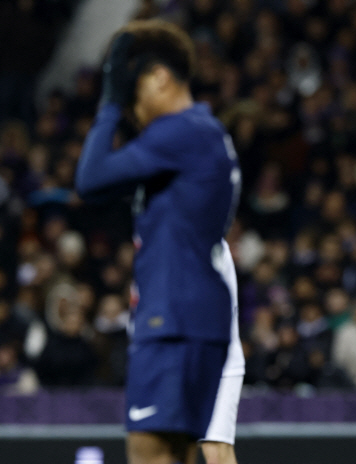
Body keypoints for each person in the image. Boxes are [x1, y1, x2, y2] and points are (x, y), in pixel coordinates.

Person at [75, 20, 244, 464]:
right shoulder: (206, 133)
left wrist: (108, 106)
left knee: (147, 454)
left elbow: (90, 179)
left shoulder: (181, 131)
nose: (133, 112)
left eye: (134, 96)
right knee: (180, 455)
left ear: (160, 78)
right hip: (194, 314)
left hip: (173, 319)